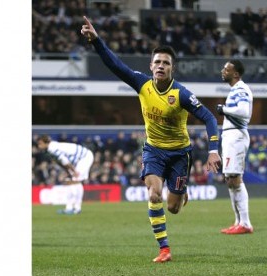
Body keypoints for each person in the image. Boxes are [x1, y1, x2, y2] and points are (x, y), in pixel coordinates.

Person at [80, 16, 222, 263]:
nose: (161, 66)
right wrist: (97, 41)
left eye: (166, 63)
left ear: (171, 69)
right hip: (153, 150)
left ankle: (181, 192)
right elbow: (115, 65)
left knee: (173, 208)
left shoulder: (182, 94)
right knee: (154, 193)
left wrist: (212, 150)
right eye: (157, 62)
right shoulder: (141, 83)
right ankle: (164, 248)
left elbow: (209, 117)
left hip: (180, 153)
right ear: (151, 65)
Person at [216, 60, 254, 234]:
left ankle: (245, 223)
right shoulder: (235, 89)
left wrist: (224, 109)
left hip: (236, 135)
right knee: (230, 180)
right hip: (231, 135)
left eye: (227, 69)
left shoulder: (240, 88)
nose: (223, 71)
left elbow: (244, 111)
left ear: (236, 74)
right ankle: (238, 221)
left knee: (235, 178)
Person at [36, 134, 94, 215]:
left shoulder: (52, 148)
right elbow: (59, 162)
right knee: (70, 181)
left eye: (40, 143)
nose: (39, 146)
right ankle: (71, 208)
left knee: (75, 180)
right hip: (81, 158)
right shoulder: (50, 148)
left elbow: (64, 160)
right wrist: (68, 171)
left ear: (46, 143)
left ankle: (76, 208)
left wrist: (73, 171)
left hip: (84, 157)